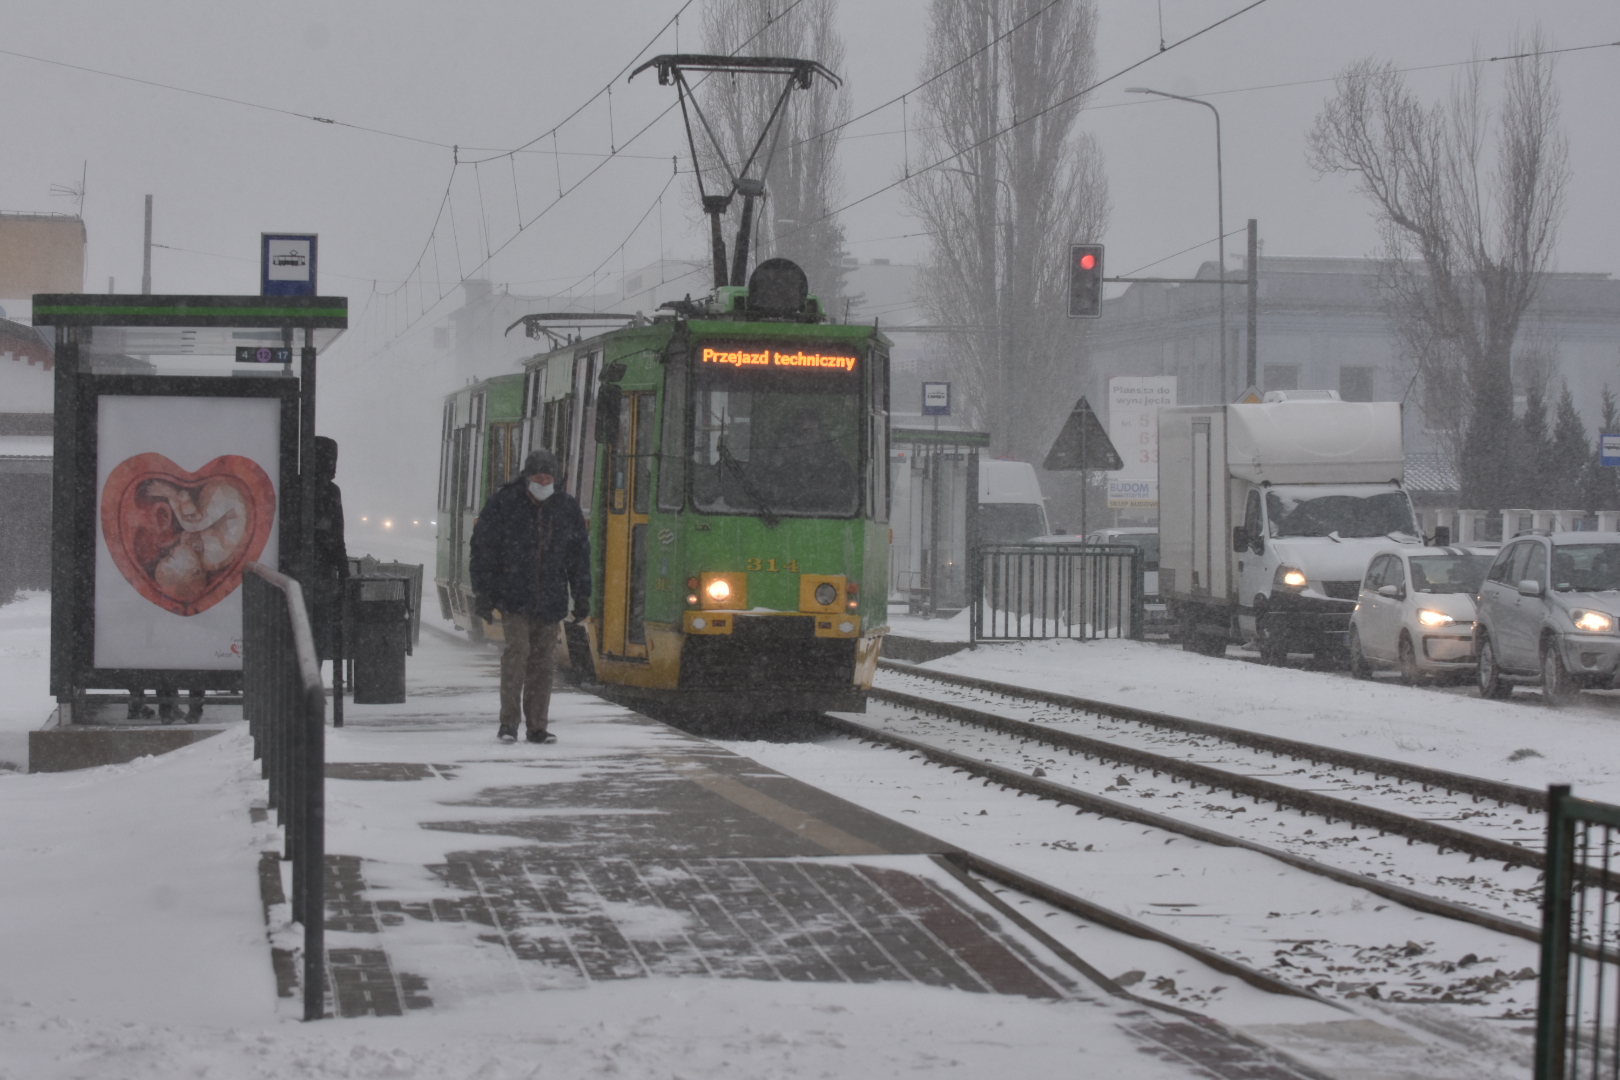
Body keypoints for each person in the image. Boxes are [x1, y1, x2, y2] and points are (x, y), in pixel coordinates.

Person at [469, 448, 590, 744]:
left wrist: (582, 594)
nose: (544, 481)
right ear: (528, 476)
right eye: (539, 476)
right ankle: (508, 723)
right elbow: (483, 549)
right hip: (514, 597)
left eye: (549, 476)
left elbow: (579, 556)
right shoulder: (504, 503)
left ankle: (537, 726)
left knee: (543, 664)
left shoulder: (566, 507)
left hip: (550, 599)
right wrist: (483, 592)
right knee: (517, 654)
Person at [310, 436, 349, 668]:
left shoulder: (293, 485)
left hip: (291, 571)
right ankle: (312, 675)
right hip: (321, 573)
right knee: (319, 630)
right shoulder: (330, 492)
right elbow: (336, 537)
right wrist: (344, 572)